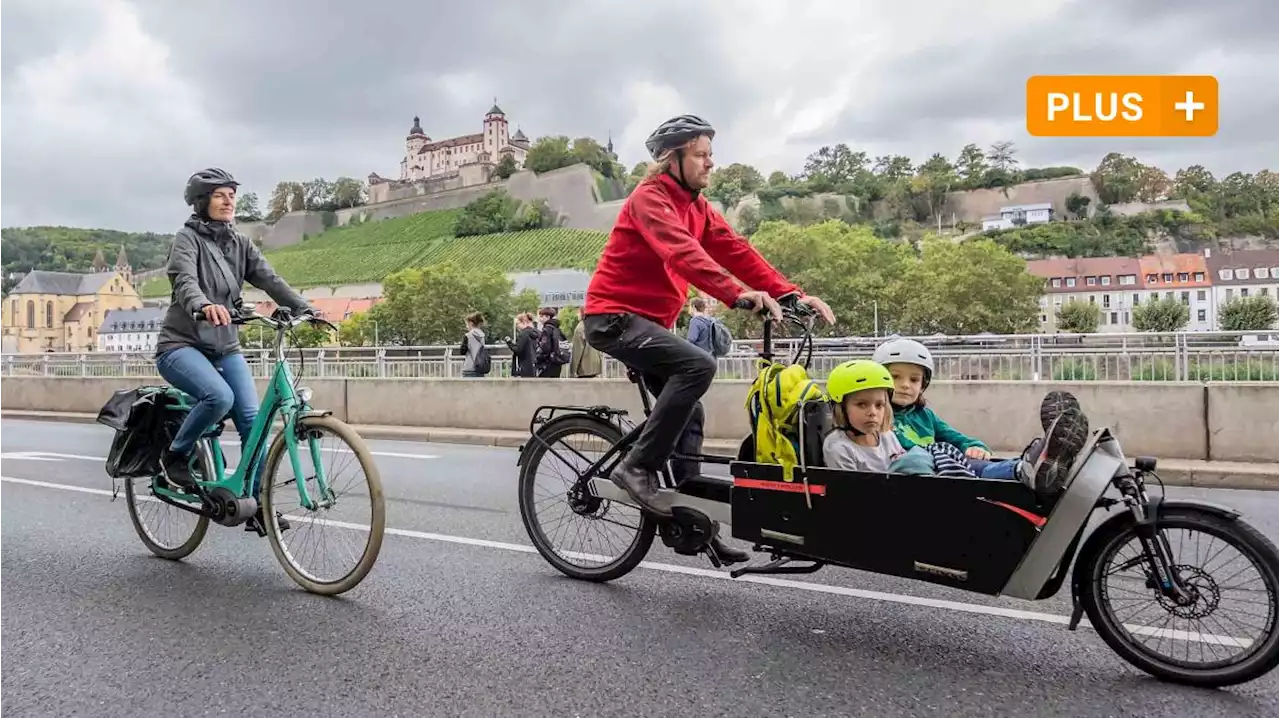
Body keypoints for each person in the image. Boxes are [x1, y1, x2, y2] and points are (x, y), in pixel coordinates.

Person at [581, 113, 835, 565]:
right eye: (700, 154)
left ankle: (693, 518)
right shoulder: (650, 199)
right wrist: (736, 294)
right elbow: (683, 252)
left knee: (690, 410)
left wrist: (790, 295)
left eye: (710, 155)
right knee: (698, 365)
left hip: (650, 325)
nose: (710, 163)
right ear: (670, 159)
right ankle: (635, 467)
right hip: (613, 318)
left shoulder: (697, 206)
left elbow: (734, 249)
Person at [155, 168, 316, 531]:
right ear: (201, 202)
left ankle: (255, 503)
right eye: (219, 195)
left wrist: (307, 308)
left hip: (225, 346)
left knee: (252, 422)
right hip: (181, 345)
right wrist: (202, 305)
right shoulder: (186, 239)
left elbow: (269, 279)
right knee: (218, 397)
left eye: (231, 194)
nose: (229, 201)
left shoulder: (240, 243)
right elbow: (184, 280)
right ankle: (175, 454)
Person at [871, 337, 1089, 492]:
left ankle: (1043, 463)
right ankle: (1030, 466)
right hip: (920, 479)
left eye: (914, 380)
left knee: (979, 464)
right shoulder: (878, 416)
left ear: (923, 384)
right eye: (895, 377)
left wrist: (975, 446)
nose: (905, 385)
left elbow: (958, 439)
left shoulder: (925, 415)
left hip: (941, 471)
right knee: (977, 470)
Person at [820, 360, 906, 473]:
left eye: (879, 405)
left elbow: (905, 469)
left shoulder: (887, 436)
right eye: (862, 404)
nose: (872, 412)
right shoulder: (839, 448)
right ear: (840, 408)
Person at [533, 307, 568, 378]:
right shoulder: (557, 329)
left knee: (545, 386)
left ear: (548, 317)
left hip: (547, 363)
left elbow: (545, 348)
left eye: (541, 316)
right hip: (557, 361)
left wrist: (538, 358)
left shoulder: (546, 330)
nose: (540, 318)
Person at [504, 312, 538, 377]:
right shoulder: (535, 333)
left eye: (517, 324)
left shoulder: (523, 334)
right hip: (534, 364)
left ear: (524, 322)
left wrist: (509, 342)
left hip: (524, 366)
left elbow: (518, 349)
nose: (516, 326)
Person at [460, 312, 488, 377]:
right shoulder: (482, 336)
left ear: (471, 323)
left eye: (467, 324)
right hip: (480, 367)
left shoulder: (468, 336)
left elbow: (462, 351)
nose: (466, 327)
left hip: (469, 368)